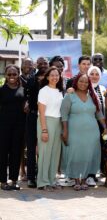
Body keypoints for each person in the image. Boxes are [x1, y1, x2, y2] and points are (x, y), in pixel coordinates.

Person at [61, 74, 107, 191]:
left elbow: (99, 114)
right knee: (75, 154)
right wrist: (65, 131)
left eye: (86, 82)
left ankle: (84, 179)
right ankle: (76, 179)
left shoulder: (93, 96)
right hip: (74, 130)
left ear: (89, 84)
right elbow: (64, 115)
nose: (83, 84)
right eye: (81, 81)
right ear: (76, 82)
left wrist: (105, 127)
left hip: (92, 132)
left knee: (88, 154)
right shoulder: (69, 96)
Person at [36, 67, 64, 191]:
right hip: (46, 121)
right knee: (44, 153)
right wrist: (44, 130)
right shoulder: (43, 91)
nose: (54, 77)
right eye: (52, 75)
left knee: (55, 153)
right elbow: (41, 112)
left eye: (57, 75)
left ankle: (52, 180)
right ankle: (42, 182)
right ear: (47, 77)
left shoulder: (60, 91)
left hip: (58, 123)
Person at [24, 57, 49, 188]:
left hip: (47, 118)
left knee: (44, 148)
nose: (43, 65)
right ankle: (30, 178)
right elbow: (25, 94)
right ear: (36, 65)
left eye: (45, 63)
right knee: (31, 147)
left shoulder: (52, 79)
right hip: (33, 116)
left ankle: (42, 175)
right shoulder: (31, 79)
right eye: (40, 63)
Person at [0, 65, 25, 190]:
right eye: (9, 74)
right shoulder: (1, 90)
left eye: (14, 74)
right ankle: (3, 181)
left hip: (19, 127)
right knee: (3, 153)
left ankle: (14, 180)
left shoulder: (22, 89)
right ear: (5, 75)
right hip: (3, 126)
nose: (12, 77)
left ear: (18, 75)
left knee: (16, 153)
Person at [88, 66, 107, 179]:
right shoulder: (85, 88)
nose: (94, 76)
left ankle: (96, 172)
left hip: (102, 124)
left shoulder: (103, 88)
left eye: (97, 74)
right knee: (90, 149)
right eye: (92, 74)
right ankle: (89, 174)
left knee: (100, 148)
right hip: (89, 124)